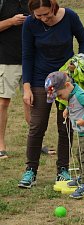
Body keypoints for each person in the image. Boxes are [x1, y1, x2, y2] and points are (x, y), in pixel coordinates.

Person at [18, 0, 84, 188]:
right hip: (40, 80)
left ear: (53, 7)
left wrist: (79, 62)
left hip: (65, 81)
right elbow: (27, 55)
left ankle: (63, 170)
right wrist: (27, 87)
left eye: (46, 14)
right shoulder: (30, 23)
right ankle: (30, 171)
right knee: (37, 125)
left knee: (65, 125)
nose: (43, 18)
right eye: (38, 15)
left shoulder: (70, 17)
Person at [45, 71, 84, 199]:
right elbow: (75, 105)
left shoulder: (80, 95)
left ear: (67, 85)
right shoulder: (71, 94)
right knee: (79, 155)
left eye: (59, 95)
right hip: (83, 133)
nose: (59, 98)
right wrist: (67, 110)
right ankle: (82, 177)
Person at [0, 0, 30, 159]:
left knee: (30, 101)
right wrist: (11, 21)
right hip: (6, 59)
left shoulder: (30, 2)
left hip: (30, 60)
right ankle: (1, 145)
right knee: (3, 103)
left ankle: (36, 143)